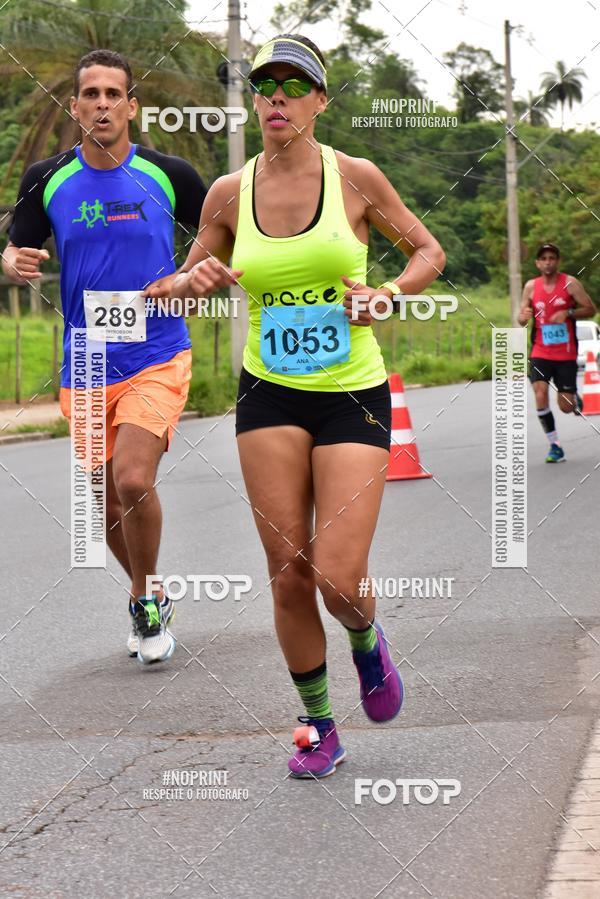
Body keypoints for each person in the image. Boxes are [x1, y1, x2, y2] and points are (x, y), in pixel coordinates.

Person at [170, 34, 445, 778]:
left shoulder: (355, 178)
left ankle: (365, 638)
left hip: (351, 393)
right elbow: (178, 280)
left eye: (295, 85)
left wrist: (387, 292)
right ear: (256, 100)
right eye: (266, 86)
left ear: (321, 100)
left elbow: (428, 251)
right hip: (269, 391)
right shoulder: (228, 192)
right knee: (288, 568)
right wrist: (186, 286)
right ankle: (319, 723)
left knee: (336, 575)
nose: (278, 98)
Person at [1, 49, 208, 663]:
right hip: (86, 358)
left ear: (131, 106)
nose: (101, 105)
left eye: (113, 94)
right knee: (106, 498)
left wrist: (193, 276)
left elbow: (219, 239)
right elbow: (15, 252)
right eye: (90, 94)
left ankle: (145, 602)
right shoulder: (48, 178)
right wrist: (10, 264)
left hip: (157, 349)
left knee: (133, 477)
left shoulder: (172, 175)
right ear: (75, 106)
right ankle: (150, 591)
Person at [518, 243, 595, 463]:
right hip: (540, 350)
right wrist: (522, 317)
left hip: (566, 353)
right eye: (544, 258)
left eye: (552, 258)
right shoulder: (531, 287)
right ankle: (555, 446)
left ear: (557, 261)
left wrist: (568, 312)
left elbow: (590, 309)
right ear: (537, 263)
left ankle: (573, 398)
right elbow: (521, 318)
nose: (548, 262)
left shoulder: (570, 283)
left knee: (565, 406)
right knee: (539, 393)